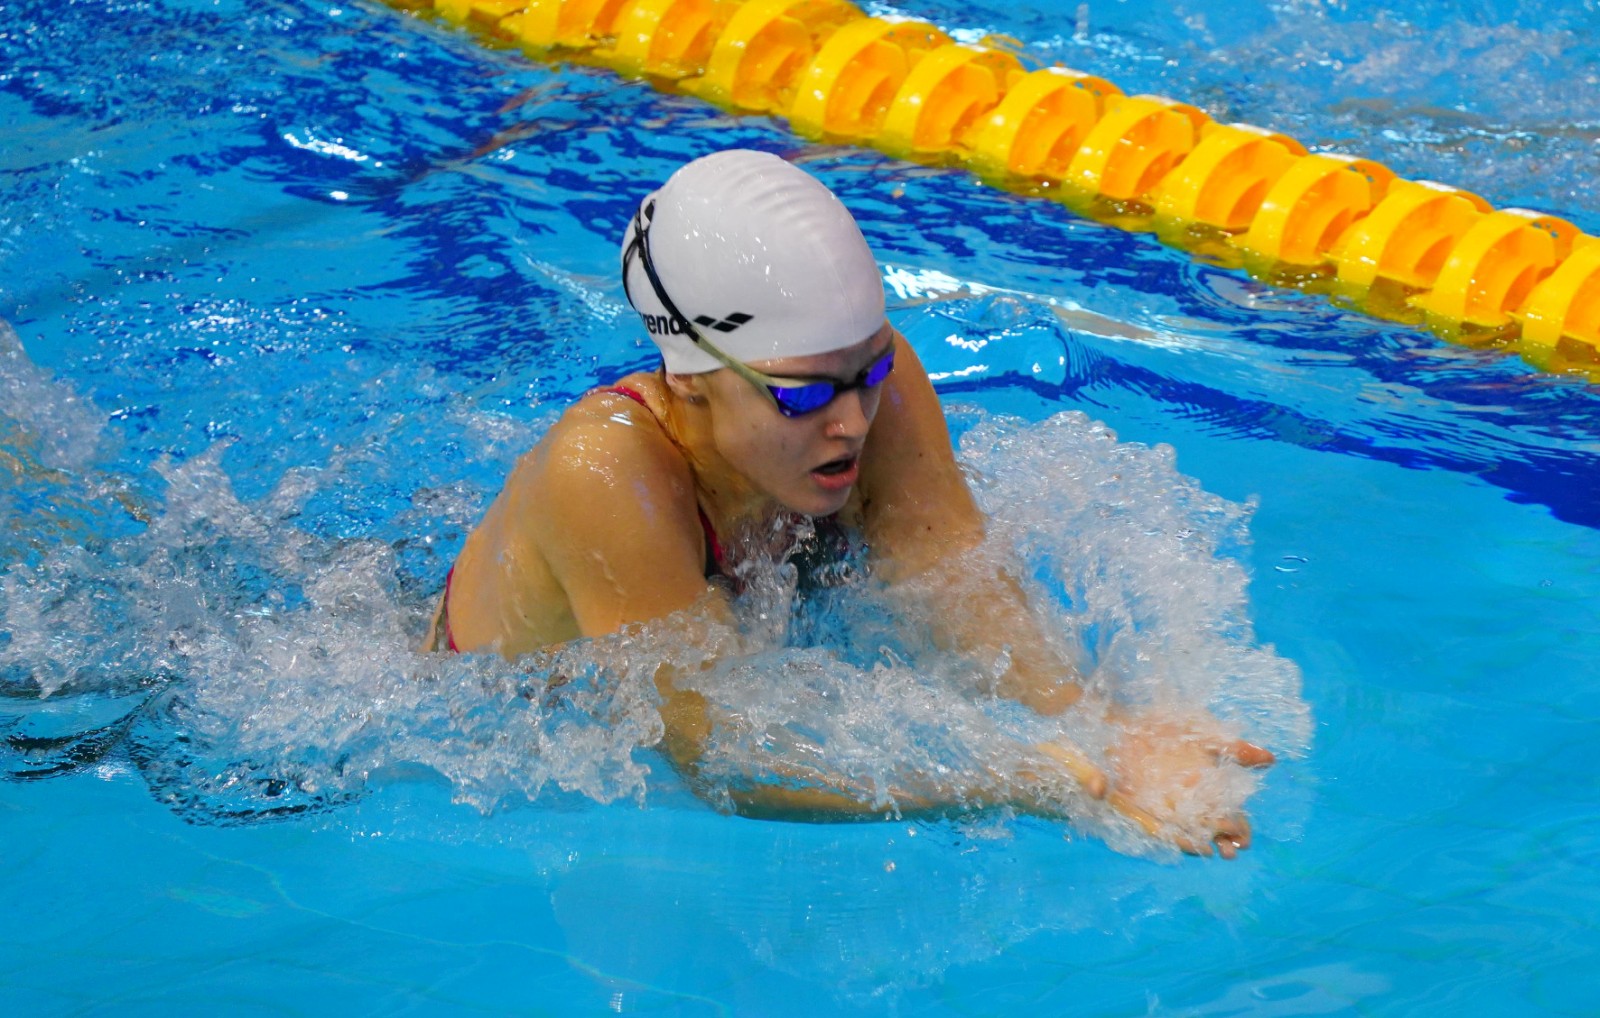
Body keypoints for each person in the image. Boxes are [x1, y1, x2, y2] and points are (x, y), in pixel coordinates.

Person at [426, 149, 1274, 856]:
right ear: (691, 379)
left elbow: (948, 571)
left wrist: (1101, 728)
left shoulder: (865, 381)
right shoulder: (606, 473)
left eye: (868, 371)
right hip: (491, 722)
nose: (852, 421)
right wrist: (1023, 777)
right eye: (800, 395)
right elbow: (721, 753)